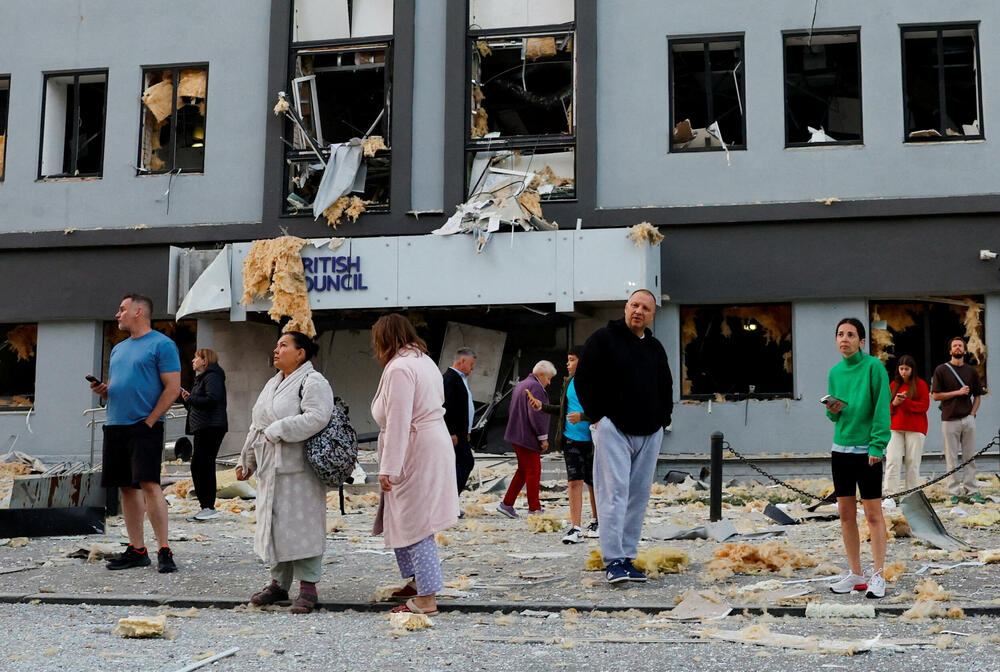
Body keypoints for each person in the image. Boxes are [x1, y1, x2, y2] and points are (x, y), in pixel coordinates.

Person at [573, 289, 673, 584]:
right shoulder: (603, 339)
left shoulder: (655, 348)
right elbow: (584, 379)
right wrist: (599, 417)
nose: (638, 311)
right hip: (614, 428)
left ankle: (628, 556)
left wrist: (663, 420)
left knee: (638, 496)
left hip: (650, 430)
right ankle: (613, 559)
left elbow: (665, 384)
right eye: (634, 305)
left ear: (652, 315)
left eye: (645, 308)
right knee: (613, 493)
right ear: (625, 307)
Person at [235, 331, 334, 614]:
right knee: (274, 524)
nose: (276, 350)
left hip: (299, 468)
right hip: (269, 467)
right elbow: (257, 424)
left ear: (300, 353)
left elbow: (317, 417)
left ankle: (308, 587)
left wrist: (279, 430)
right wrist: (247, 460)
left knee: (302, 526)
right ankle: (278, 583)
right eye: (276, 345)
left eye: (283, 345)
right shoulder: (273, 383)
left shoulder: (313, 381)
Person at [370, 314, 458, 616]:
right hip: (431, 440)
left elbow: (398, 419)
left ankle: (427, 597)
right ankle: (416, 581)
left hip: (415, 446)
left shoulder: (400, 368)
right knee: (403, 516)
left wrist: (389, 467)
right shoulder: (423, 361)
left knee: (416, 521)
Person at [90, 293, 181, 574]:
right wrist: (104, 391)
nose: (117, 314)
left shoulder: (162, 345)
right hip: (116, 424)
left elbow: (173, 388)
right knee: (126, 487)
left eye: (122, 309)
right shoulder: (118, 350)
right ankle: (137, 549)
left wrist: (151, 421)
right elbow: (122, 385)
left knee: (150, 484)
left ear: (139, 311)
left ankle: (164, 549)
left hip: (144, 425)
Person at [823, 317, 891, 599]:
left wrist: (878, 444)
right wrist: (832, 409)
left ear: (861, 341)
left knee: (874, 515)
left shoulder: (874, 367)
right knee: (845, 515)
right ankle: (856, 575)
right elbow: (832, 415)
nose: (845, 339)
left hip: (868, 451)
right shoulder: (835, 372)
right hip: (841, 449)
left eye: (851, 334)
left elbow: (881, 407)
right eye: (840, 334)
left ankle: (878, 575)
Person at [529, 346, 597, 543]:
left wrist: (583, 417)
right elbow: (564, 409)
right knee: (574, 481)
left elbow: (606, 410)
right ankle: (575, 526)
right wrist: (542, 407)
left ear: (581, 362)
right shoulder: (569, 382)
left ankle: (596, 520)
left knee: (593, 483)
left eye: (571, 359)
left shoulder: (595, 382)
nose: (567, 364)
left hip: (593, 440)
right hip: (570, 438)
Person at [496, 361, 556, 518]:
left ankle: (507, 504)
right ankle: (534, 508)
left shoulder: (522, 384)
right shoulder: (536, 387)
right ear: (541, 374)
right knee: (533, 471)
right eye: (549, 378)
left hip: (517, 434)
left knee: (523, 470)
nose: (549, 383)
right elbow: (537, 415)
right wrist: (543, 438)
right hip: (527, 435)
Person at [931, 336, 986, 505]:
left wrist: (972, 414)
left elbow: (977, 396)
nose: (957, 348)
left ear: (964, 350)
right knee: (951, 458)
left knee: (970, 456)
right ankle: (953, 491)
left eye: (960, 346)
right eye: (954, 346)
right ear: (950, 351)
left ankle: (972, 490)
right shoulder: (941, 370)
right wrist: (958, 392)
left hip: (967, 418)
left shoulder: (971, 371)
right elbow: (936, 396)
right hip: (949, 419)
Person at [181, 348, 228, 521]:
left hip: (211, 426)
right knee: (201, 465)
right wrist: (188, 400)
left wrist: (191, 399)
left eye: (196, 358)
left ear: (205, 360)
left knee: (202, 465)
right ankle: (206, 506)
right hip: (204, 426)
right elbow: (199, 405)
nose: (193, 361)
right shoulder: (202, 378)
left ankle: (208, 506)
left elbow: (212, 400)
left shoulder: (212, 376)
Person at [883, 354, 929, 502]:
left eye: (907, 369)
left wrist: (906, 402)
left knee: (913, 462)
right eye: (901, 369)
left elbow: (924, 406)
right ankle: (890, 495)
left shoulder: (921, 384)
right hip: (895, 426)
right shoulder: (892, 385)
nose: (903, 372)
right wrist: (895, 403)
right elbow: (885, 408)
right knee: (892, 460)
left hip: (916, 427)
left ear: (912, 369)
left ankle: (911, 496)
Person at [443, 347, 477, 496]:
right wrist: (451, 432)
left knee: (463, 463)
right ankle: (449, 500)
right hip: (454, 434)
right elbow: (446, 407)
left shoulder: (461, 379)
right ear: (462, 361)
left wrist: (467, 430)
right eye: (471, 364)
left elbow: (464, 406)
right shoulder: (450, 379)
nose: (472, 369)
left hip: (461, 433)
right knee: (465, 462)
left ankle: (450, 501)